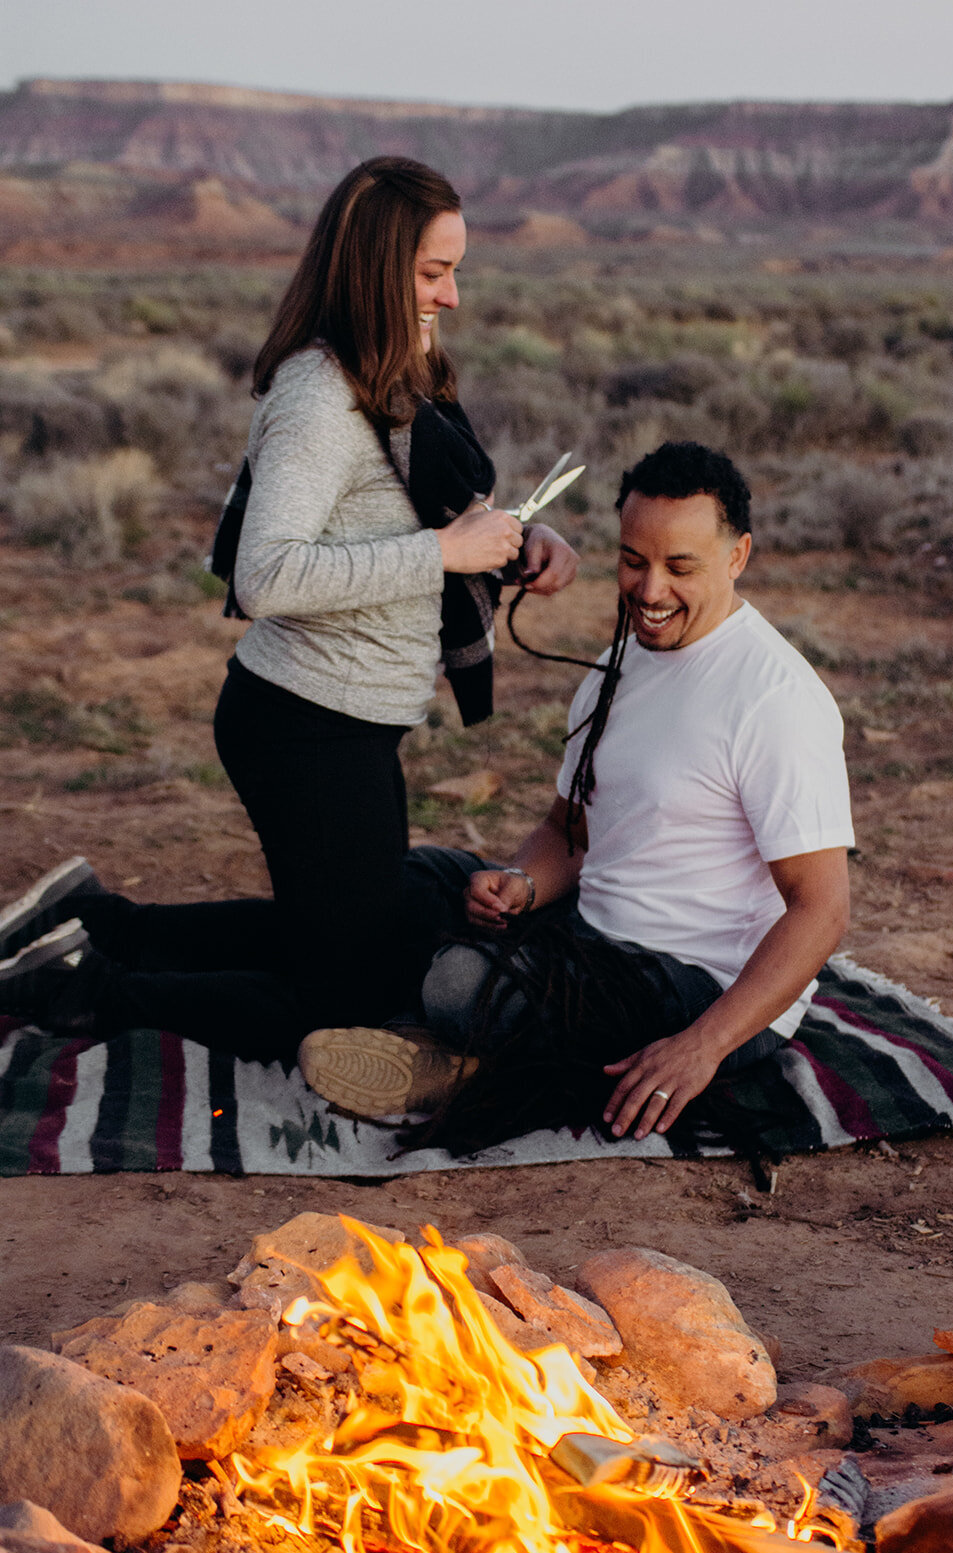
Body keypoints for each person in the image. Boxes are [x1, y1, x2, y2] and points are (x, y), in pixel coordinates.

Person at [0, 156, 577, 1062]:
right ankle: (78, 989)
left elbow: (388, 525)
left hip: (347, 720)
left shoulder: (390, 377)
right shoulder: (320, 394)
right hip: (305, 726)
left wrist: (509, 548)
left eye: (455, 271)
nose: (453, 296)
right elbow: (264, 576)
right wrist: (442, 552)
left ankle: (97, 924)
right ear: (376, 267)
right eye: (433, 272)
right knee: (347, 999)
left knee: (348, 943)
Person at [297, 441, 854, 1149]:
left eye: (680, 567)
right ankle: (467, 1050)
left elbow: (821, 910)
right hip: (589, 934)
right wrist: (521, 886)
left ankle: (466, 1072)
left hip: (697, 985)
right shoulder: (617, 667)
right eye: (633, 561)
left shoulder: (775, 700)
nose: (650, 591)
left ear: (737, 556)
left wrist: (703, 1045)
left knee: (454, 985)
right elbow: (569, 833)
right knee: (401, 882)